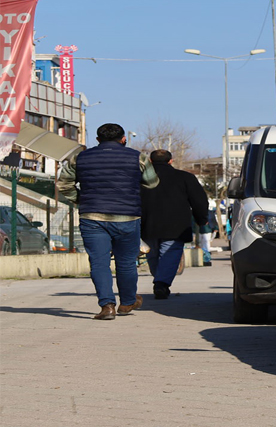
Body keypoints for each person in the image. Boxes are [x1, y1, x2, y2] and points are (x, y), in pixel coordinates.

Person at [57, 123, 159, 320]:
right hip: (127, 217)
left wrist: (79, 199)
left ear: (97, 140)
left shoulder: (79, 157)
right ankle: (128, 302)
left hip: (92, 217)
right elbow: (152, 182)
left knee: (99, 263)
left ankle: (107, 306)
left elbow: (64, 184)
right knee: (127, 262)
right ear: (123, 139)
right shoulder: (138, 157)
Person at [141, 149, 210, 299]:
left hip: (147, 223)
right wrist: (201, 218)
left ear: (150, 161)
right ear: (170, 161)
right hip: (176, 225)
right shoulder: (185, 177)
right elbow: (199, 200)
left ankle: (159, 279)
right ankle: (161, 283)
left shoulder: (140, 178)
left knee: (152, 254)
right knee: (169, 254)